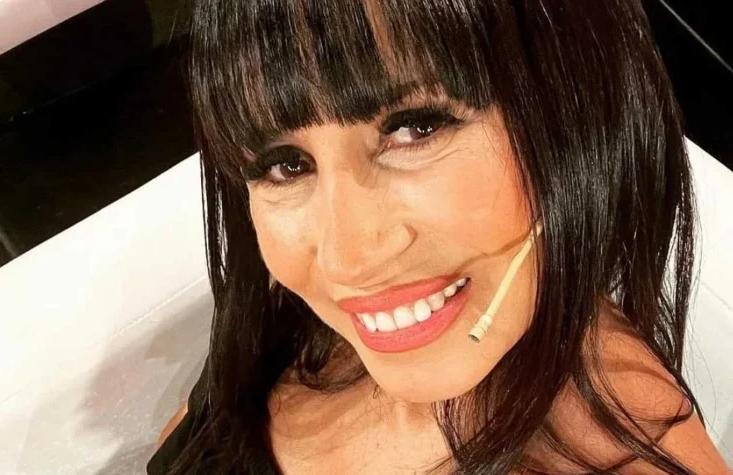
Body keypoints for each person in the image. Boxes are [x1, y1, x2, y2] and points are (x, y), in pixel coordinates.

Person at [147, 0, 731, 473]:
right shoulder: (283, 324)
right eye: (286, 165)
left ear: (579, 114)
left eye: (416, 127)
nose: (347, 259)